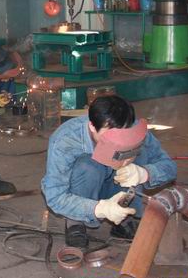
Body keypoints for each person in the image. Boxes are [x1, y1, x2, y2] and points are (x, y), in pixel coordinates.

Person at [41, 95, 176, 248]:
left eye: (123, 133)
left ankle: (123, 216)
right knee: (88, 166)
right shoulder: (65, 140)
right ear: (92, 126)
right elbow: (55, 197)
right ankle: (76, 221)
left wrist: (144, 173)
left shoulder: (133, 128)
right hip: (83, 190)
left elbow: (169, 167)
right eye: (112, 134)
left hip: (114, 185)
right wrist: (99, 209)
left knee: (141, 152)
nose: (119, 139)